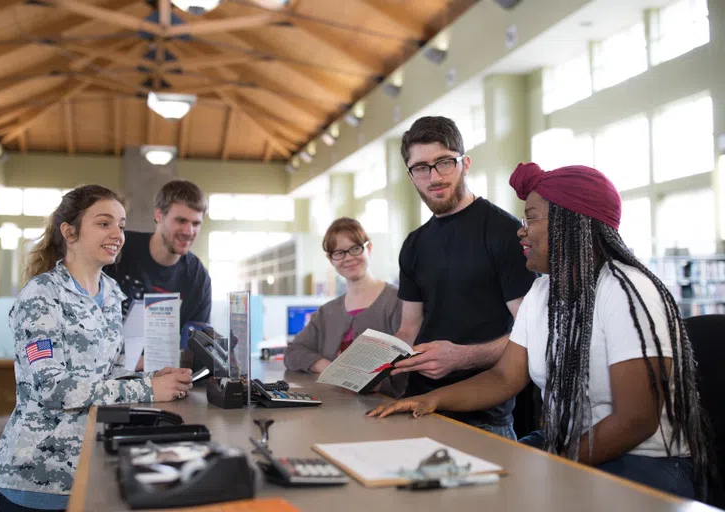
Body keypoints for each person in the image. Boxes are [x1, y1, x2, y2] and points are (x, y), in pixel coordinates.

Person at [367, 162, 711, 499]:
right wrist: (430, 400)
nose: (521, 229)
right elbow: (504, 377)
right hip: (567, 449)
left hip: (643, 465)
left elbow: (636, 420)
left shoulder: (626, 290)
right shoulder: (543, 291)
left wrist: (550, 462)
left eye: (531, 217)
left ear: (571, 223)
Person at [0, 185, 193, 512]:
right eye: (104, 223)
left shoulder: (111, 292)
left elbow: (104, 368)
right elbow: (52, 389)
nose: (117, 234)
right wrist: (147, 388)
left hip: (89, 469)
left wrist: (154, 376)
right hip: (36, 479)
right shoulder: (42, 296)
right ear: (69, 232)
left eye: (121, 225)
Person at [389, 116, 536, 438]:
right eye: (421, 168)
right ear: (411, 176)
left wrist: (463, 356)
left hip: (484, 415)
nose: (434, 176)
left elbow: (533, 333)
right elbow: (409, 327)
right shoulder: (414, 243)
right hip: (419, 405)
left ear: (465, 164)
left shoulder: (504, 232)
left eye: (444, 163)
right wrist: (368, 362)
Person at [284, 218, 404, 397]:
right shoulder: (326, 312)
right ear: (330, 259)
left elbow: (409, 368)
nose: (348, 258)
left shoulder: (398, 301)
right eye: (339, 253)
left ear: (368, 248)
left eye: (355, 248)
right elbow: (293, 352)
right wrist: (329, 368)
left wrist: (372, 383)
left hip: (383, 410)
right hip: (335, 409)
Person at [105, 179, 211, 369]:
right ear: (159, 215)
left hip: (164, 378)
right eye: (181, 220)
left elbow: (195, 348)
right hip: (106, 371)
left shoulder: (198, 278)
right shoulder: (119, 249)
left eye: (196, 223)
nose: (189, 231)